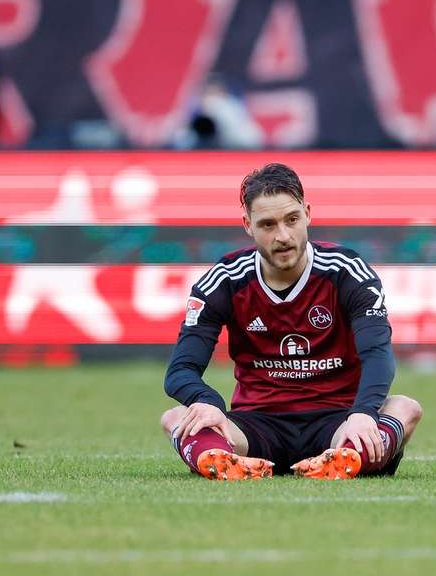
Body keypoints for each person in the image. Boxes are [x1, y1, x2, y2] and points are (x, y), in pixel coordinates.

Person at [160, 163, 422, 480]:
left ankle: (342, 457)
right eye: (268, 225)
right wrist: (208, 402)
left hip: (338, 422)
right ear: (247, 225)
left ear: (307, 213)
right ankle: (238, 463)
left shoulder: (347, 271)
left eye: (292, 220)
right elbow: (180, 370)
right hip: (256, 428)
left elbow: (377, 355)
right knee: (176, 416)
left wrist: (363, 413)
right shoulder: (225, 279)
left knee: (405, 409)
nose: (283, 236)